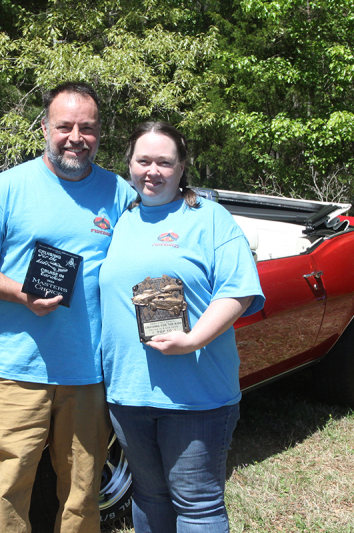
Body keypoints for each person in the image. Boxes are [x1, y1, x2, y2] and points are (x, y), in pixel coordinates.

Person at [0, 82, 137, 533]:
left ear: (100, 133)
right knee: (6, 486)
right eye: (65, 126)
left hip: (89, 373)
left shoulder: (119, 193)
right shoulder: (8, 188)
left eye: (88, 128)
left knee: (82, 491)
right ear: (44, 128)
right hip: (18, 369)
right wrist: (21, 294)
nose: (76, 136)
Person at [99, 121, 265, 533]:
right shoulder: (120, 220)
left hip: (196, 396)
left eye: (164, 162)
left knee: (197, 506)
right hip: (128, 392)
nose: (152, 171)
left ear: (182, 166)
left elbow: (238, 290)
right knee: (149, 496)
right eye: (143, 161)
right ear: (129, 164)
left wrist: (193, 340)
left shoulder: (209, 218)